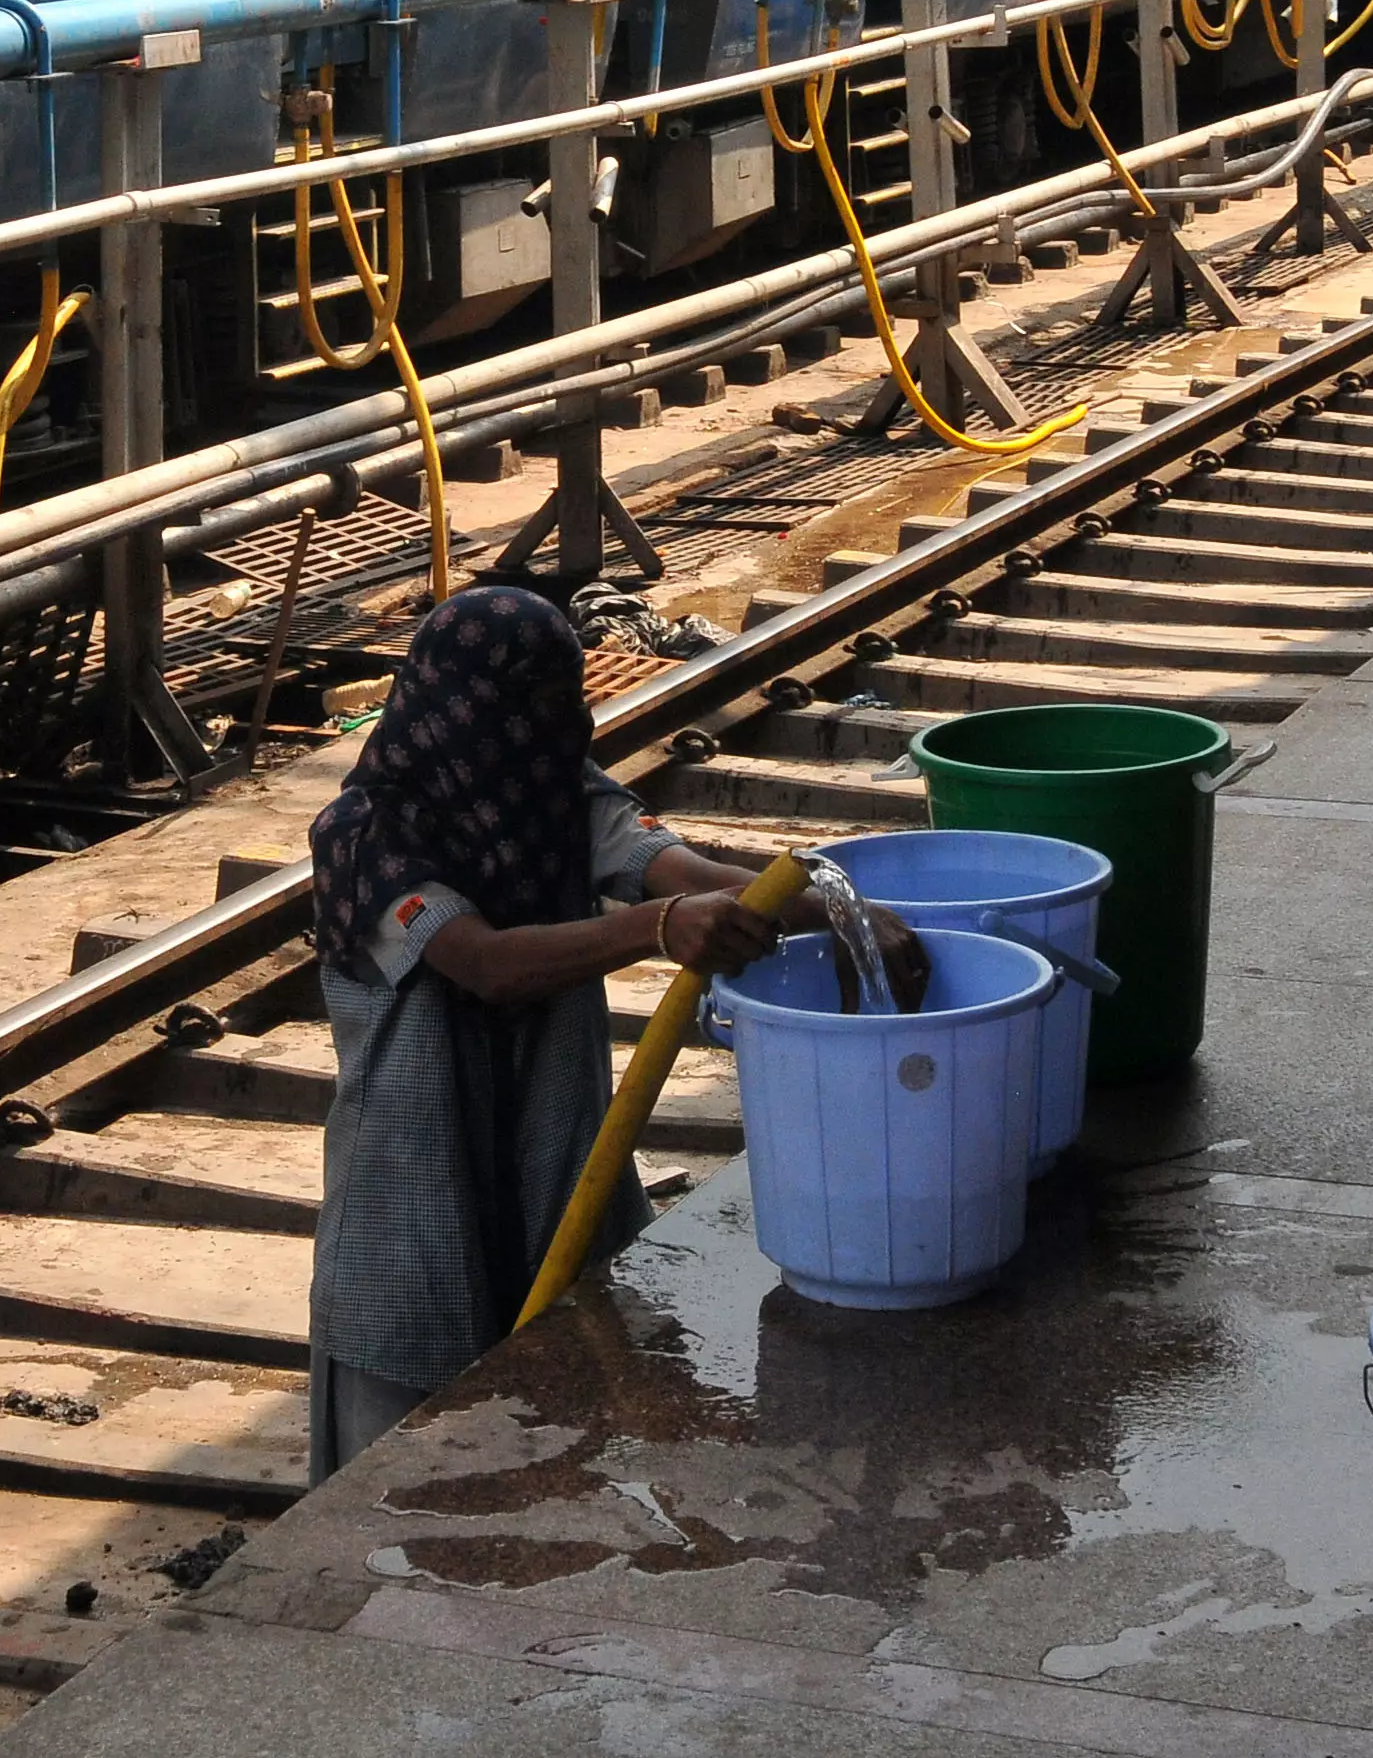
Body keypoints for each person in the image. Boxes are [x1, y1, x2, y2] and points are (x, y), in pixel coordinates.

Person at [303, 582, 923, 1482]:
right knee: (406, 1469)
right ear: (466, 708)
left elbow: (666, 864)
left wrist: (832, 905)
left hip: (552, 1154)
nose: (564, 724)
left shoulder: (552, 788)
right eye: (537, 706)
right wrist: (659, 928)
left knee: (563, 1415)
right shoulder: (366, 836)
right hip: (415, 1186)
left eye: (568, 700)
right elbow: (485, 962)